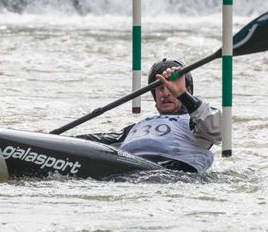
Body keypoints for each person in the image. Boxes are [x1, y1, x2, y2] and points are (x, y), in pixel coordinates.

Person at [77, 58, 221, 174]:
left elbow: (218, 128)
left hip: (172, 175)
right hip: (129, 168)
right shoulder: (138, 126)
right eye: (160, 88)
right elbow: (98, 142)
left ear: (188, 90)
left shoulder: (196, 123)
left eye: (170, 87)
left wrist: (183, 95)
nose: (165, 94)